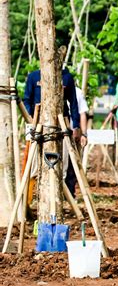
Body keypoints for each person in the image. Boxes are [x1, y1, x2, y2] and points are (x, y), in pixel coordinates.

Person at [23, 65, 81, 197]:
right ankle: (30, 199)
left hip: (61, 124)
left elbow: (73, 103)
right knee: (34, 166)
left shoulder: (66, 77)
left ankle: (58, 198)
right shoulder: (34, 76)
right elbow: (27, 99)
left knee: (63, 164)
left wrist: (76, 125)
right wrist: (31, 117)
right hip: (39, 124)